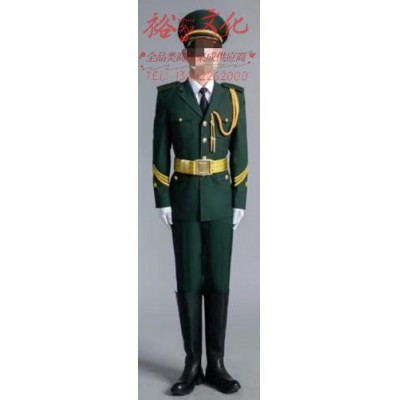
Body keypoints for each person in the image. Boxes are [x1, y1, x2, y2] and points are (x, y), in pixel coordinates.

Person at [151, 9, 248, 396]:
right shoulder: (169, 98)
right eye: (198, 53)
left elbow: (241, 151)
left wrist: (240, 198)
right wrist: (162, 198)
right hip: (185, 198)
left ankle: (216, 365)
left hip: (222, 199)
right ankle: (192, 365)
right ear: (186, 56)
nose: (205, 60)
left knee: (219, 280)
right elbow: (159, 151)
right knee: (189, 278)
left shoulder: (233, 98)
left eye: (212, 53)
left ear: (220, 57)